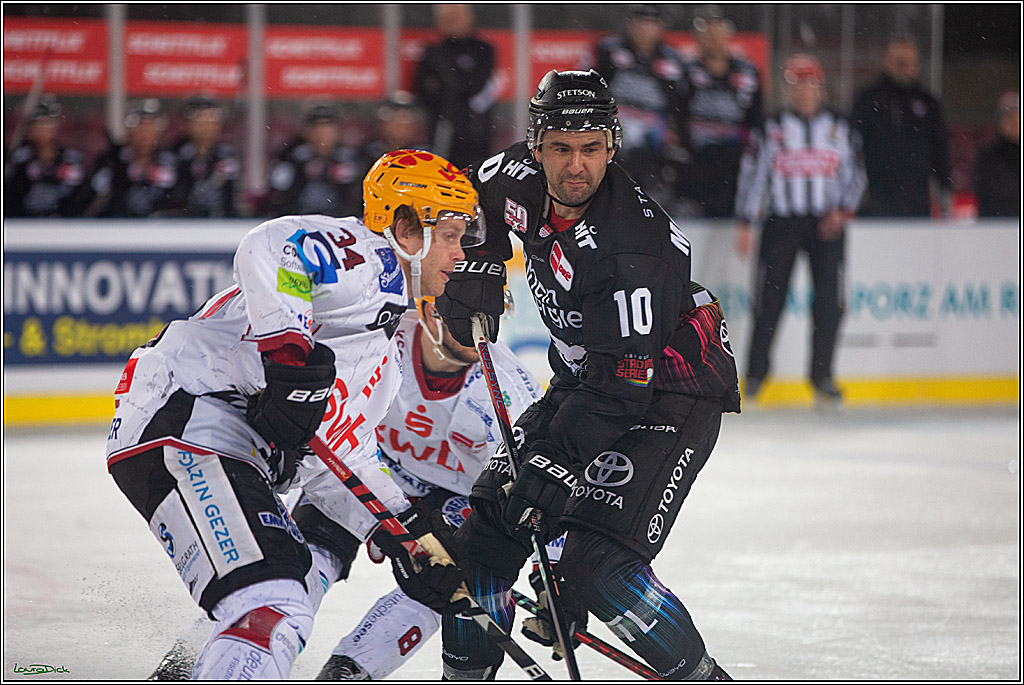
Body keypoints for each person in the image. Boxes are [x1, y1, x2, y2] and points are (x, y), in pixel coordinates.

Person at [106, 149, 485, 680]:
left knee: (283, 595)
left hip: (207, 438)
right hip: (189, 414)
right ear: (405, 227)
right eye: (449, 233)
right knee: (274, 602)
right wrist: (287, 352)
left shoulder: (382, 352)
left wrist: (408, 536)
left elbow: (340, 456)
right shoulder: (374, 259)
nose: (460, 252)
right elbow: (273, 247)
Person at [435, 69, 740, 681]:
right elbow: (472, 205)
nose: (576, 166)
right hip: (589, 374)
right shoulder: (511, 176)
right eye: (561, 148)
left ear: (613, 145)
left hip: (669, 393)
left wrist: (556, 461)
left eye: (592, 149)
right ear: (536, 145)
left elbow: (624, 388)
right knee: (487, 526)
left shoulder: (633, 246)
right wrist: (482, 265)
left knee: (596, 564)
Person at [146, 296, 543, 681]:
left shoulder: (507, 392)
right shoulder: (383, 340)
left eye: (491, 316)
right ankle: (196, 661)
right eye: (462, 316)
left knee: (440, 578)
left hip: (451, 499)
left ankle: (348, 672)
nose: (479, 332)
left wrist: (550, 576)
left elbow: (533, 490)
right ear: (427, 312)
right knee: (296, 563)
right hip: (360, 471)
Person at [734, 55, 867, 404]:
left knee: (829, 302)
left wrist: (841, 211)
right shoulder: (771, 127)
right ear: (789, 88)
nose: (805, 91)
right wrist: (746, 221)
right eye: (797, 84)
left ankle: (821, 376)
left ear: (820, 86)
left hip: (827, 224)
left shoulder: (840, 126)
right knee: (768, 301)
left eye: (810, 83)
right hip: (781, 223)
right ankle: (755, 375)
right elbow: (754, 175)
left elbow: (856, 175)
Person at [580, 4, 687, 205]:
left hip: (654, 131)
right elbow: (586, 87)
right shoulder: (608, 49)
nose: (645, 29)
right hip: (613, 123)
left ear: (660, 27)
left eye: (651, 23)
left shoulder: (672, 59)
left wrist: (674, 130)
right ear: (630, 24)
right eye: (640, 23)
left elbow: (680, 103)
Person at [675, 4, 763, 218]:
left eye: (717, 31)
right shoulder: (686, 72)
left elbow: (757, 118)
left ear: (727, 35)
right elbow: (676, 115)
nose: (713, 38)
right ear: (698, 37)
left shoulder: (746, 72)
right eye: (707, 32)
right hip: (696, 163)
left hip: (734, 165)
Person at [851, 37, 952, 218]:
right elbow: (852, 145)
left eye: (910, 62)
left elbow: (940, 148)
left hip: (917, 198)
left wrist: (945, 186)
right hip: (875, 197)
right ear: (886, 62)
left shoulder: (928, 102)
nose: (905, 67)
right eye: (899, 62)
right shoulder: (867, 99)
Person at [415, 4, 498, 169]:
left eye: (456, 17)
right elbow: (423, 92)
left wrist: (445, 84)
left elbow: (473, 85)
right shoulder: (432, 51)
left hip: (477, 130)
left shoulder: (483, 49)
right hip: (443, 126)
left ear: (469, 18)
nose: (453, 22)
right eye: (447, 18)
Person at [260, 103, 364, 219]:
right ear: (306, 131)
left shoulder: (351, 159)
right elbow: (278, 195)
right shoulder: (291, 158)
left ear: (337, 131)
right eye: (316, 128)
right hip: (298, 223)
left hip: (342, 223)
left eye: (327, 128)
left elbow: (359, 196)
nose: (321, 134)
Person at [83, 98, 178, 218]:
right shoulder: (111, 161)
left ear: (159, 131)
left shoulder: (172, 162)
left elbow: (179, 202)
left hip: (161, 230)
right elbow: (92, 199)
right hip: (118, 228)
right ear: (129, 131)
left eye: (150, 127)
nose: (145, 134)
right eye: (140, 127)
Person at [4, 94, 90, 217]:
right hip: (20, 224)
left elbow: (81, 197)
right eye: (37, 124)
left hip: (63, 226)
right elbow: (11, 196)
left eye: (46, 123)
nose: (41, 129)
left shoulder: (72, 159)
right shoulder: (14, 158)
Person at [167, 94, 240, 217]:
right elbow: (173, 194)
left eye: (213, 122)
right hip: (181, 223)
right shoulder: (175, 155)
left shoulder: (226, 154)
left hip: (220, 222)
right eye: (202, 122)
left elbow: (230, 193)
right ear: (189, 124)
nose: (208, 128)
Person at [972, 91, 1020, 218]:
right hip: (995, 227)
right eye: (1010, 117)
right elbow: (991, 194)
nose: (1016, 123)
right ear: (1000, 121)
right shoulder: (988, 156)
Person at [359, 90, 429, 169]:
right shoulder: (365, 154)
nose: (399, 125)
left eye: (405, 118)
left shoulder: (424, 158)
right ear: (383, 123)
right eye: (394, 118)